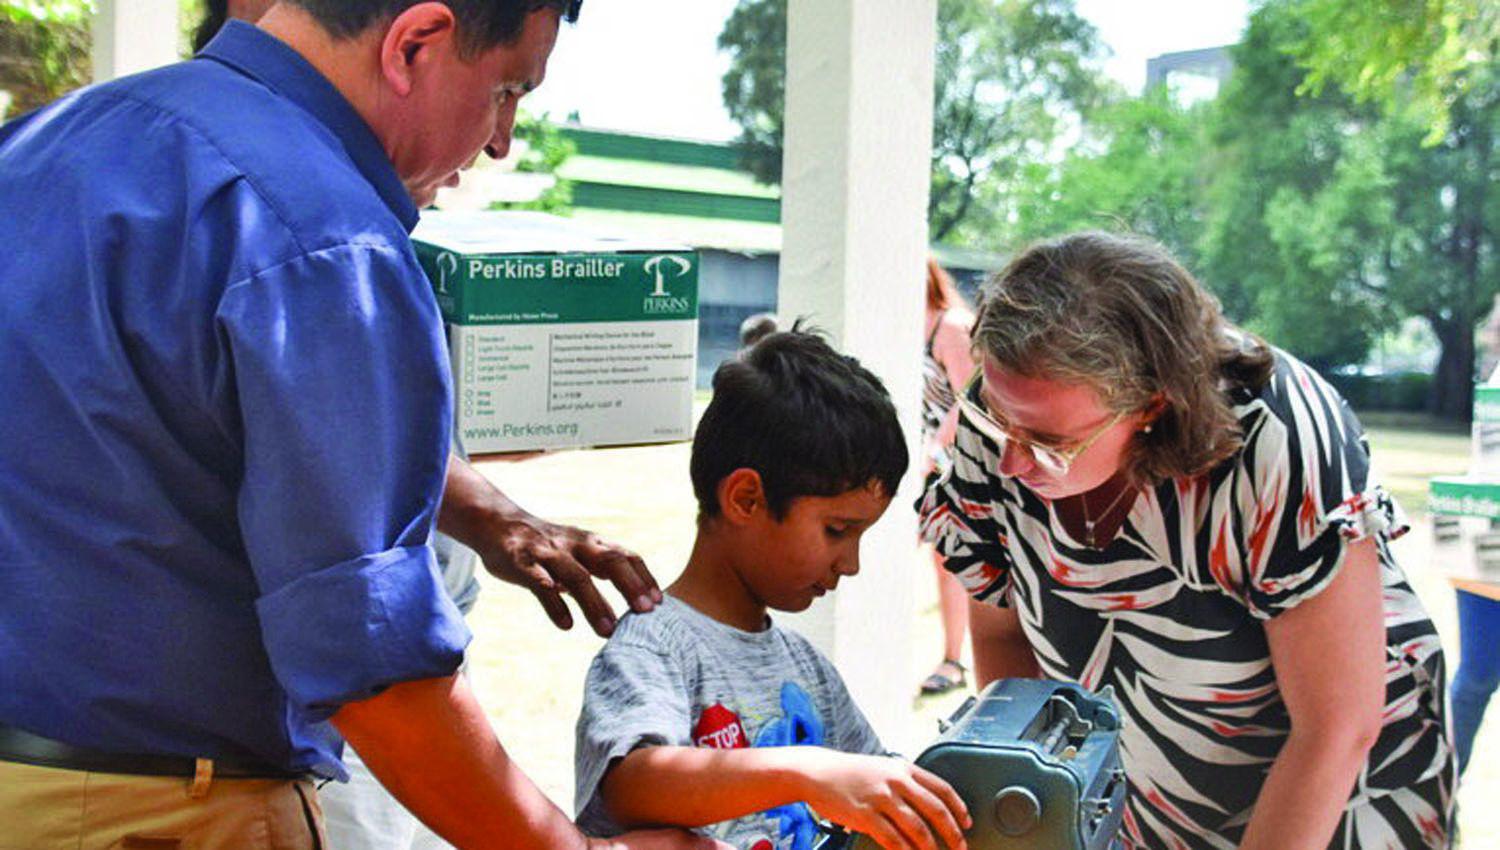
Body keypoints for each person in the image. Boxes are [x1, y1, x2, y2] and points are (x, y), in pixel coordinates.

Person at [0, 3, 719, 848]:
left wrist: (487, 514)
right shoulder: (326, 236)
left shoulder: (43, 142)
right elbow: (371, 666)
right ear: (415, 43)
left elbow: (162, 407)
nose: (502, 141)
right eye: (506, 91)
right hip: (162, 810)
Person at [919, 232, 1455, 849]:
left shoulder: (1275, 438)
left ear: (1151, 405)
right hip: (1139, 792)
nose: (1008, 460)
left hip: (1336, 800)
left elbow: (1337, 727)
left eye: (1049, 443)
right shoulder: (1011, 409)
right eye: (996, 419)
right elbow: (1003, 640)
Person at [575, 330, 973, 850]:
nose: (850, 564)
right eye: (837, 530)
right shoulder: (655, 647)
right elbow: (631, 784)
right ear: (745, 498)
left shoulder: (806, 668)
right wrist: (804, 771)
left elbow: (876, 785)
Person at [916, 258, 977, 696]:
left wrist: (934, 448)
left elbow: (971, 396)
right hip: (923, 459)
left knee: (951, 563)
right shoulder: (906, 324)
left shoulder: (950, 327)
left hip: (953, 462)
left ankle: (954, 659)